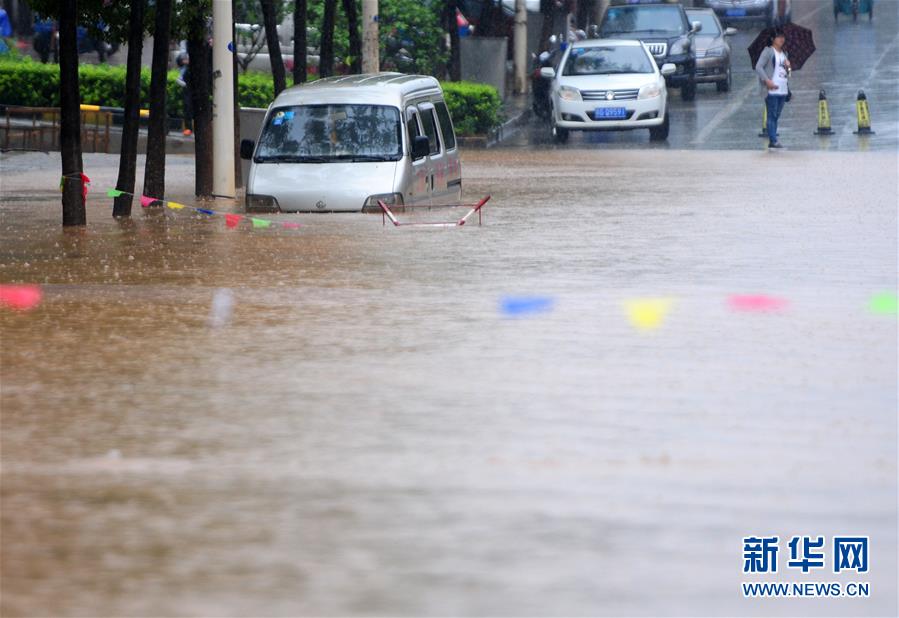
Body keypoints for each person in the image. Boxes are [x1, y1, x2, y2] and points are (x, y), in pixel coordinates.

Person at [755, 28, 791, 149]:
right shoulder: (768, 51)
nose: (782, 39)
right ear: (772, 39)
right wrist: (767, 80)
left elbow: (788, 74)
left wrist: (789, 67)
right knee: (772, 114)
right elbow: (758, 67)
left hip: (783, 89)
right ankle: (773, 140)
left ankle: (773, 138)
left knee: (777, 115)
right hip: (771, 89)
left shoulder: (785, 54)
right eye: (778, 37)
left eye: (783, 37)